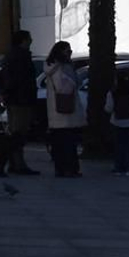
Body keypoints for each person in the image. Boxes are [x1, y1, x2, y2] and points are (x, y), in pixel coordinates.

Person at [0, 29, 40, 175]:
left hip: (15, 99)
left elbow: (3, 77)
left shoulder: (10, 56)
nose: (32, 41)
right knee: (19, 134)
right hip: (21, 100)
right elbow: (17, 80)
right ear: (24, 40)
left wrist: (4, 93)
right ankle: (18, 164)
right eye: (29, 38)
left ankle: (15, 163)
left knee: (16, 132)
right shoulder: (20, 57)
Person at [43, 40, 84, 178]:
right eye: (68, 51)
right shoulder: (62, 67)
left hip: (55, 110)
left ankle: (61, 168)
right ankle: (70, 168)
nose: (70, 54)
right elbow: (67, 85)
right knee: (69, 143)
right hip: (67, 108)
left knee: (59, 143)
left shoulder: (51, 67)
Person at [108, 76, 129, 177]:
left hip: (117, 121)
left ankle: (119, 167)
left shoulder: (113, 92)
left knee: (119, 146)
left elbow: (108, 108)